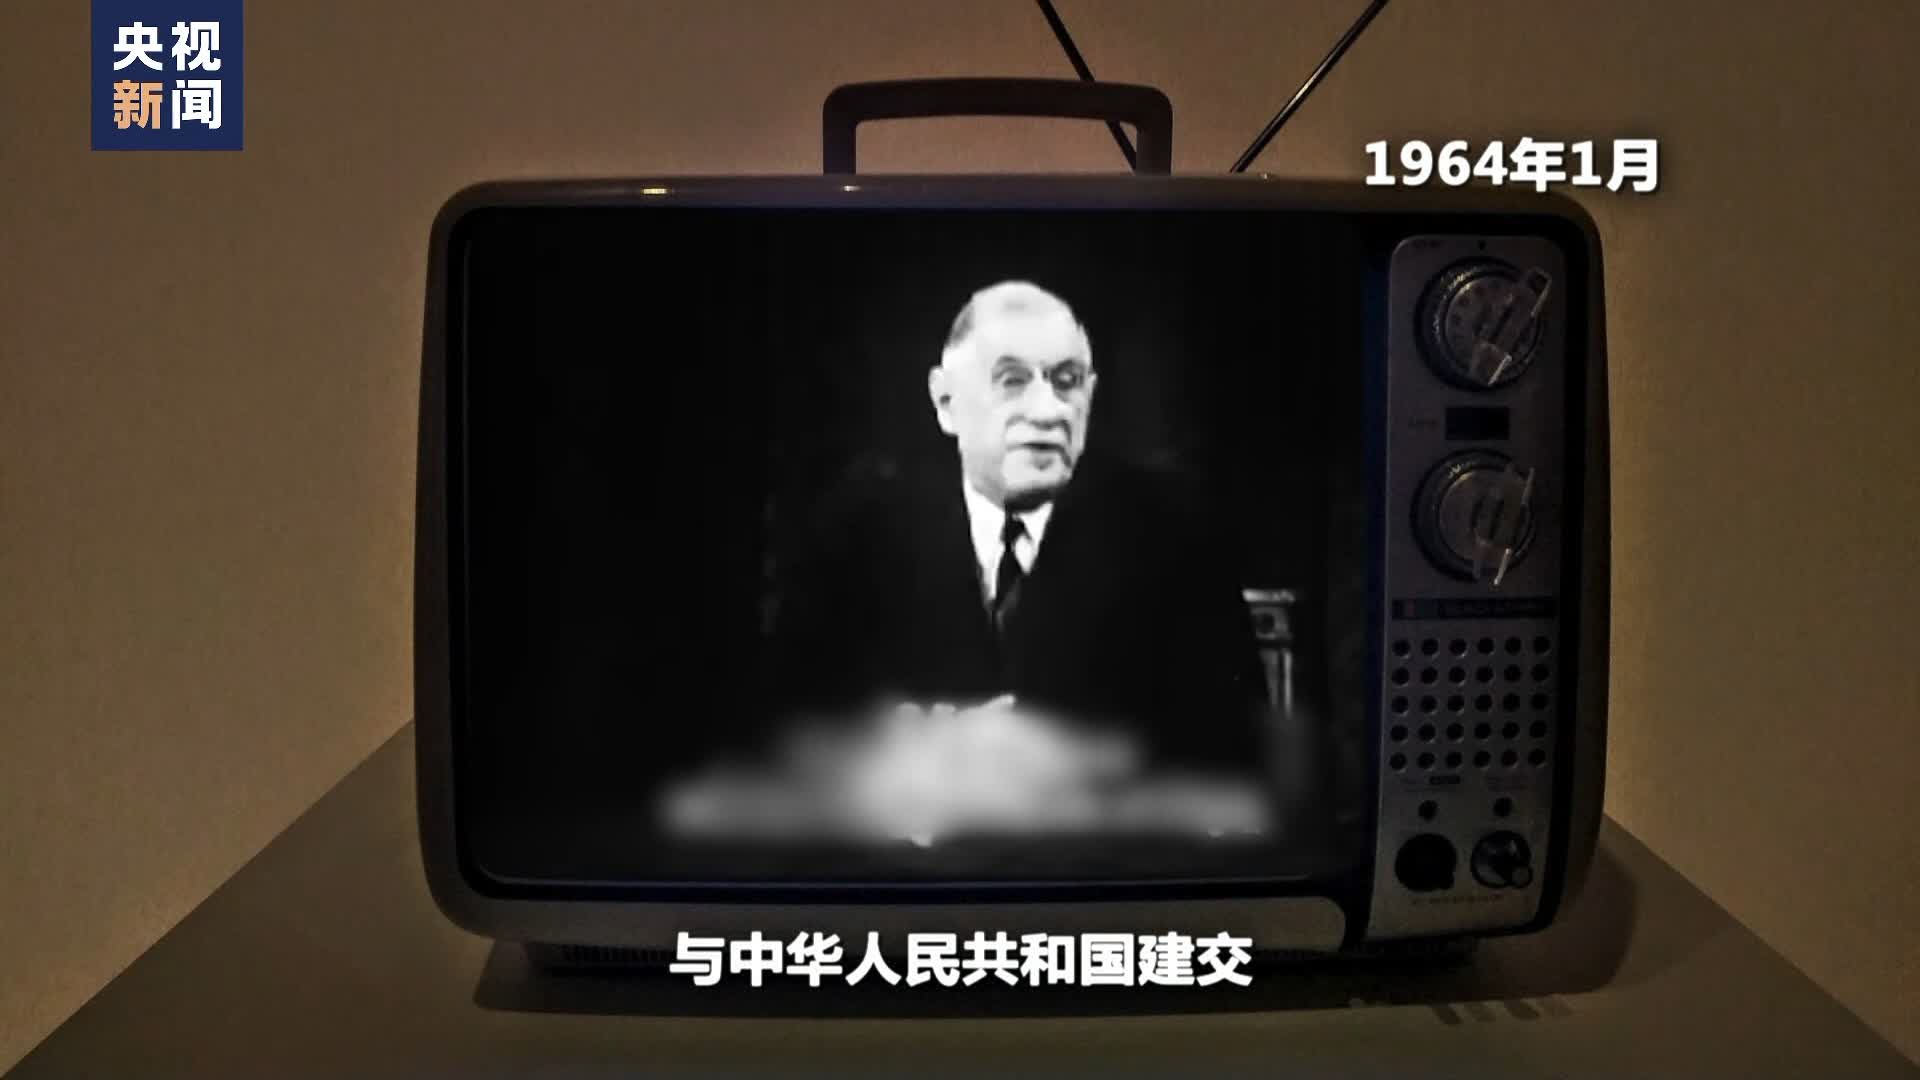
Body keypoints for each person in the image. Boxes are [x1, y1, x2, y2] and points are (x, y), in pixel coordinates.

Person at [769, 281, 1267, 773]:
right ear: (946, 402)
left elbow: (1234, 753)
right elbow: (788, 740)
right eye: (1011, 381)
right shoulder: (860, 535)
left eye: (1067, 381)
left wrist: (1074, 758)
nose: (1049, 411)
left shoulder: (1172, 536)